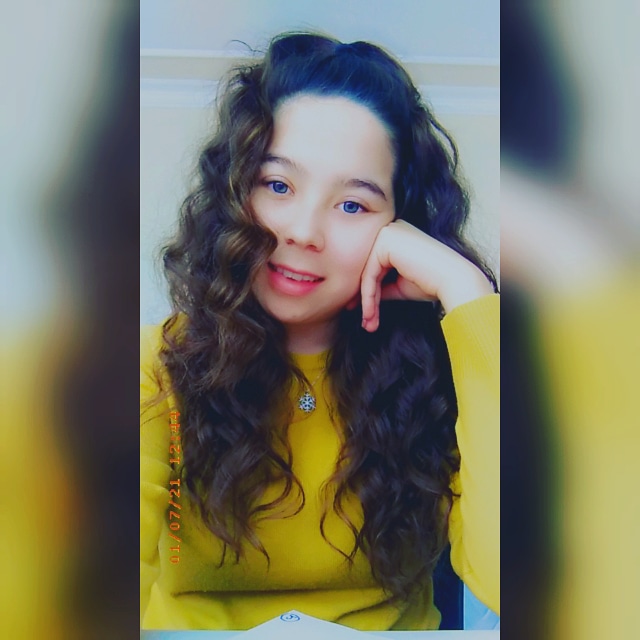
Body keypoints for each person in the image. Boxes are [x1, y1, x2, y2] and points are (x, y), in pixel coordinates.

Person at [141, 31, 499, 631]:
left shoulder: (446, 369)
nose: (304, 232)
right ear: (234, 192)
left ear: (402, 224)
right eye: (278, 185)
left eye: (352, 204)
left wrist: (468, 294)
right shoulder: (158, 365)